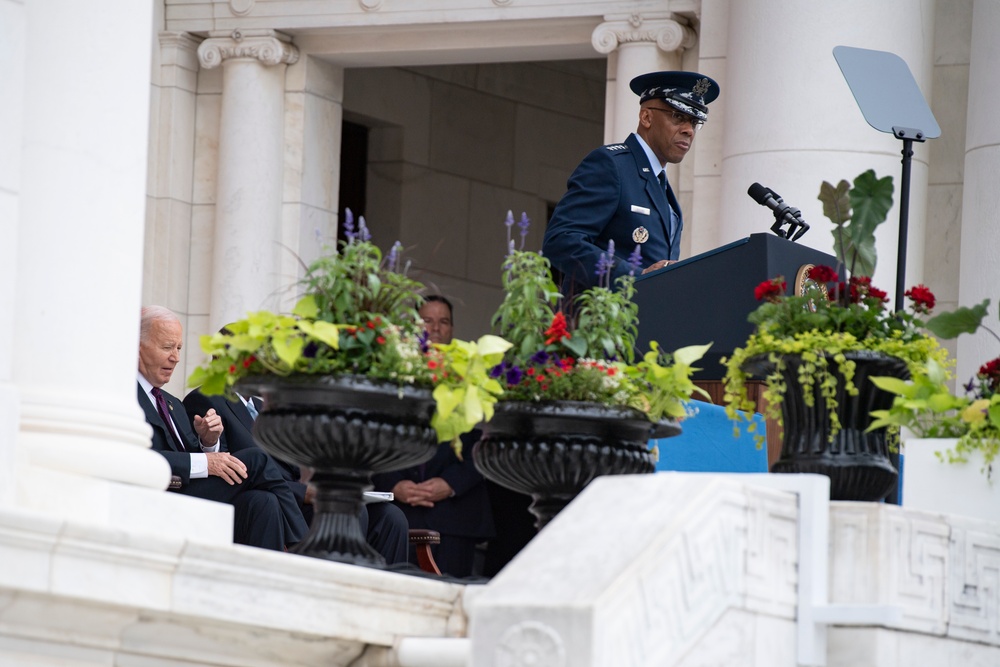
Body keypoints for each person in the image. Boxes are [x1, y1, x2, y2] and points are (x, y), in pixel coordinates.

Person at [136, 306, 307, 551]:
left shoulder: (171, 403)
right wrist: (208, 461)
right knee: (256, 458)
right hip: (159, 495)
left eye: (179, 348)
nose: (175, 357)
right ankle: (302, 546)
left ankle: (265, 580)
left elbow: (198, 455)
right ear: (138, 347)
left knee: (263, 501)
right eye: (167, 347)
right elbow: (138, 456)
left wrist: (209, 442)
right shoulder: (123, 394)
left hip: (191, 492)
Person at [542, 71, 720, 296]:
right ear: (646, 117)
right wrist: (635, 277)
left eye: (695, 122)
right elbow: (560, 241)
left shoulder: (662, 187)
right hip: (600, 325)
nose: (689, 130)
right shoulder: (611, 165)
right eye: (677, 116)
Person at [183, 387, 411, 564]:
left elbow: (292, 468)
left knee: (390, 516)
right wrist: (304, 492)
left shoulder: (267, 408)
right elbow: (226, 468)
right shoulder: (206, 399)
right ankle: (333, 587)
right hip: (258, 497)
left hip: (290, 496)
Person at [372, 295, 495, 577]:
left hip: (455, 513)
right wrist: (394, 484)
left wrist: (451, 483)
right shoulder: (391, 372)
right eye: (428, 320)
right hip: (398, 512)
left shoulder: (470, 375)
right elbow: (375, 438)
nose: (436, 328)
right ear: (414, 326)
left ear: (452, 329)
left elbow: (484, 442)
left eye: (444, 322)